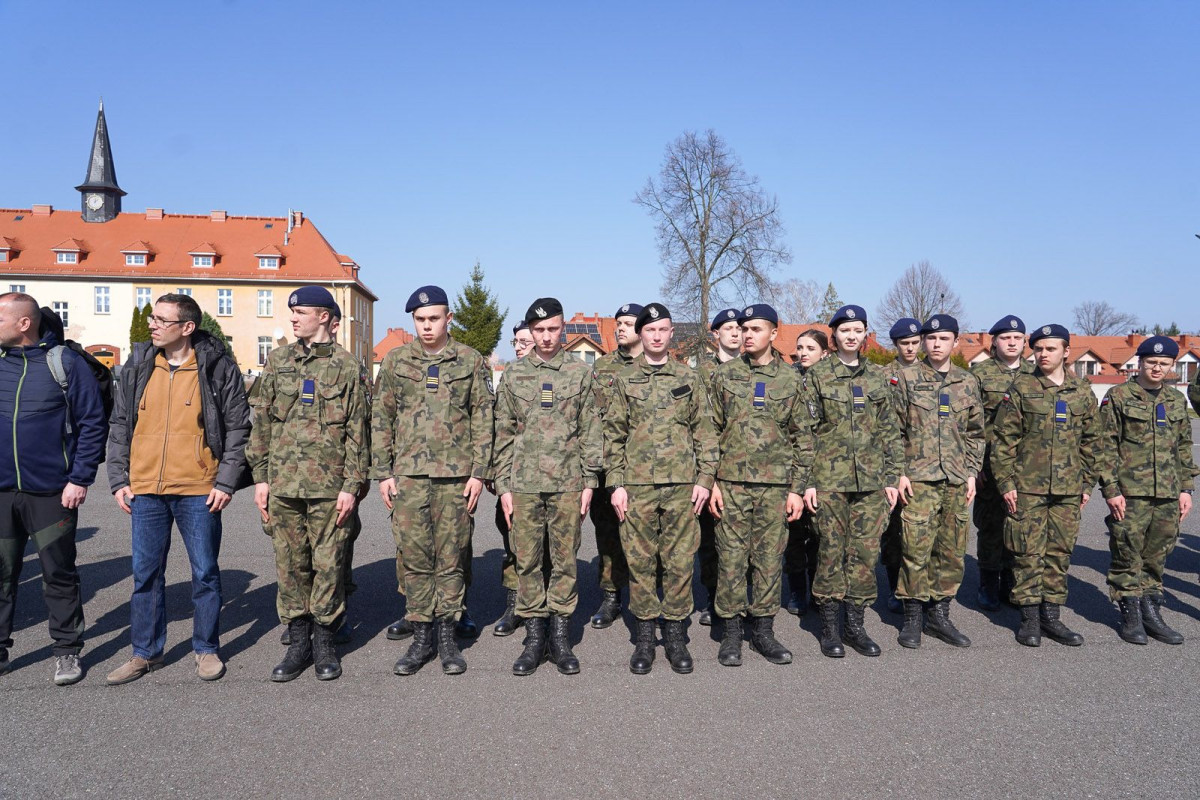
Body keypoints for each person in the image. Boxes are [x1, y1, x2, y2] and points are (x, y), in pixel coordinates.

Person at [106, 293, 250, 685]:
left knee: (204, 572)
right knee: (145, 574)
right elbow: (120, 423)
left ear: (187, 327)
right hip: (146, 488)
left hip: (199, 489)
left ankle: (206, 648)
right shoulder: (139, 364)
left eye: (161, 320)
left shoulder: (217, 367)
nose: (151, 324)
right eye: (152, 317)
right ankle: (145, 652)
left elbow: (238, 427)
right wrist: (119, 478)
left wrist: (226, 481)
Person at [246, 287, 368, 681]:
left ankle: (325, 640)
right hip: (283, 483)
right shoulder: (278, 361)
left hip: (330, 486)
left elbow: (357, 432)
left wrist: (352, 484)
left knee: (329, 565)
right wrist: (260, 479)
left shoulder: (347, 366)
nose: (294, 317)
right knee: (290, 564)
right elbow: (261, 423)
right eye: (292, 311)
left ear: (326, 317)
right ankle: (299, 641)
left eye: (302, 311)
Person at [372, 286, 493, 676]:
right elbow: (382, 418)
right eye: (420, 320)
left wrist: (479, 473)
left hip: (455, 477)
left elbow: (483, 420)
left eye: (434, 319)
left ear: (448, 319)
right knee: (415, 558)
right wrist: (384, 473)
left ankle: (447, 637)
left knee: (453, 556)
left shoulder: (470, 361)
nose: (427, 326)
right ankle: (422, 637)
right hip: (408, 477)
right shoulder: (395, 361)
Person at [605, 302, 717, 674]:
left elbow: (704, 432)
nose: (656, 336)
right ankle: (643, 636)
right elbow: (614, 436)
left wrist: (705, 480)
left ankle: (675, 635)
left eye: (663, 330)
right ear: (641, 334)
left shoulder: (690, 378)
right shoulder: (624, 379)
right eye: (649, 330)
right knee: (639, 562)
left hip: (683, 485)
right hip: (636, 487)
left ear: (671, 334)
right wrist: (616, 484)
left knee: (680, 560)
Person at [0, 294, 106, 685]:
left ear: (24, 323)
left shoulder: (64, 365)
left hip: (51, 493)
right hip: (1, 493)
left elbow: (92, 423)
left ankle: (66, 651)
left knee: (57, 574)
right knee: (1, 573)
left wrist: (79, 479)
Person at [492, 298, 602, 675]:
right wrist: (503, 486)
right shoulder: (514, 374)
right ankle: (534, 638)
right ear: (530, 331)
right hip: (523, 483)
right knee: (528, 559)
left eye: (553, 329)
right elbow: (503, 433)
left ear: (564, 328)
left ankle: (560, 636)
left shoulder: (580, 373)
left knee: (565, 559)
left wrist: (590, 481)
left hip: (568, 482)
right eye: (538, 330)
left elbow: (591, 429)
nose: (546, 336)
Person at [708, 304, 808, 667]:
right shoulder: (724, 376)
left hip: (775, 487)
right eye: (743, 329)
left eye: (755, 329)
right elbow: (709, 433)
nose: (747, 335)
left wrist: (797, 488)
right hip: (731, 485)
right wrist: (712, 482)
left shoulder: (791, 379)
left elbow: (803, 438)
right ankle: (731, 634)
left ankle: (763, 632)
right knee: (731, 561)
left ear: (773, 334)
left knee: (768, 561)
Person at [991, 324, 1099, 647]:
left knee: (1059, 553)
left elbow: (1094, 442)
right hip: (1027, 488)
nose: (1043, 354)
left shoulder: (1081, 392)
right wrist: (1007, 483)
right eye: (1038, 348)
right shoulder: (1021, 389)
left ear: (1067, 351)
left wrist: (1087, 483)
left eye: (1050, 348)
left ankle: (1051, 616)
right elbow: (1003, 441)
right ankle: (1029, 619)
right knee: (1026, 552)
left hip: (1068, 490)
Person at [804, 305, 901, 659]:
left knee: (864, 553)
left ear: (864, 334)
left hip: (871, 482)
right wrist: (808, 482)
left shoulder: (878, 378)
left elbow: (890, 432)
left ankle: (855, 625)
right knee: (830, 551)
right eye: (845, 330)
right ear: (835, 336)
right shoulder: (817, 377)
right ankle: (830, 628)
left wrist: (891, 477)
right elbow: (806, 433)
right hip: (829, 480)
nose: (851, 335)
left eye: (857, 329)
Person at [892, 315, 985, 649]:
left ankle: (939, 616)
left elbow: (976, 433)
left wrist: (972, 471)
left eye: (943, 339)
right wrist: (899, 471)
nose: (935, 344)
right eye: (929, 338)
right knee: (915, 548)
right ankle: (913, 618)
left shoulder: (967, 381)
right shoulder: (905, 378)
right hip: (919, 478)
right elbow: (893, 430)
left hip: (956, 478)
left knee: (951, 551)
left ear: (955, 342)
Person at [1097, 336, 1197, 644]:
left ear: (1172, 367)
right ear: (1139, 363)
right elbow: (1105, 446)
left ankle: (1152, 610)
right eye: (1151, 362)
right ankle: (1130, 613)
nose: (1157, 368)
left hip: (1167, 492)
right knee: (1127, 551)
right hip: (1131, 492)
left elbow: (1183, 447)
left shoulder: (1176, 400)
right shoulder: (1118, 396)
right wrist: (1111, 489)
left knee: (1157, 555)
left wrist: (1186, 489)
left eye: (1164, 364)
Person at [489, 320, 550, 637]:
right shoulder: (510, 378)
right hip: (513, 478)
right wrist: (496, 475)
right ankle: (514, 606)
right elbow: (498, 429)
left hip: (550, 478)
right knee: (513, 544)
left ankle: (546, 608)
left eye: (524, 341)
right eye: (515, 342)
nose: (518, 346)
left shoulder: (555, 376)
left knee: (550, 548)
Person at [970, 315, 1034, 610]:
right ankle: (988, 583)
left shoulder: (1036, 375)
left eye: (1017, 337)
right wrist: (975, 466)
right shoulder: (979, 376)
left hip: (1027, 467)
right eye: (1005, 337)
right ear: (994, 341)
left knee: (1019, 524)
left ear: (1025, 341)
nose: (1011, 342)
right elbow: (967, 423)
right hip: (989, 463)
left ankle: (1012, 580)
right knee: (991, 524)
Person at [586, 304, 641, 629]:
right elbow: (591, 417)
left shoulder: (657, 366)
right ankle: (611, 597)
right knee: (608, 534)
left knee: (649, 539)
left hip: (647, 468)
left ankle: (646, 597)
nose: (621, 328)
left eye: (628, 323)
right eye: (618, 323)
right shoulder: (602, 367)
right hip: (609, 466)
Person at [695, 308, 743, 625]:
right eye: (727, 328)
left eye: (739, 327)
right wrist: (707, 477)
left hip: (746, 471)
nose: (735, 332)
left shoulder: (754, 370)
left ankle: (742, 600)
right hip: (712, 468)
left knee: (745, 542)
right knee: (712, 541)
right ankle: (714, 599)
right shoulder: (701, 374)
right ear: (716, 335)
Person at [783, 328, 830, 615]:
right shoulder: (789, 379)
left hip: (826, 469)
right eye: (800, 347)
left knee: (823, 536)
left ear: (824, 352)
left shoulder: (831, 382)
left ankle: (819, 588)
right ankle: (798, 590)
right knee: (795, 535)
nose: (803, 353)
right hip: (793, 468)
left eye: (810, 348)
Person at [879, 318, 922, 614]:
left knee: (920, 534)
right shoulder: (884, 375)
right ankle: (895, 587)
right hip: (893, 463)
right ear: (895, 345)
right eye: (904, 343)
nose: (910, 347)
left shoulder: (930, 374)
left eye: (914, 342)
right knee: (893, 533)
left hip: (924, 464)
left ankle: (918, 591)